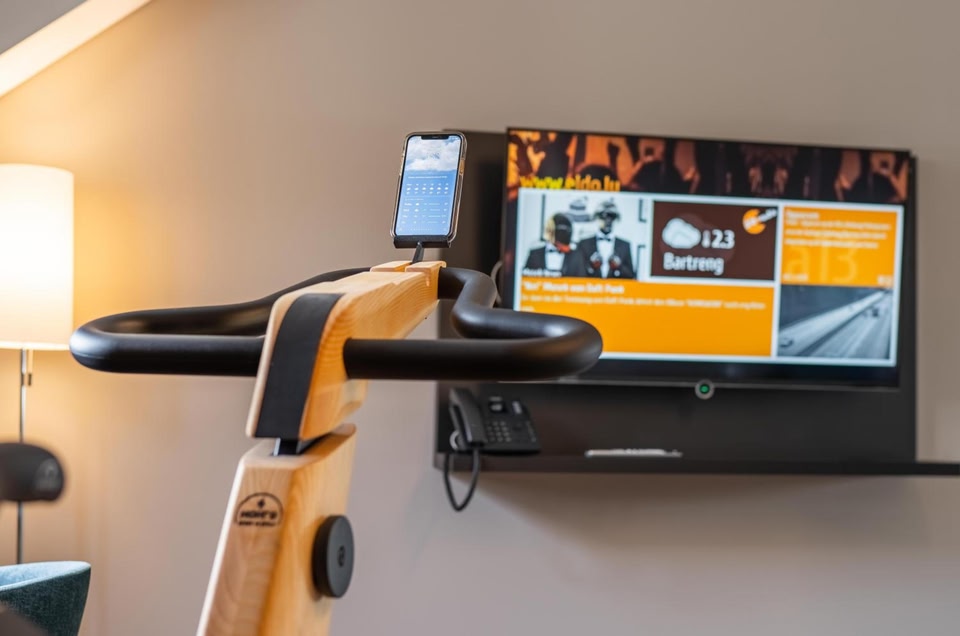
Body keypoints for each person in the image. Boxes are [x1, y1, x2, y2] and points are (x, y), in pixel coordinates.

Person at [574, 200, 635, 279]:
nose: (608, 221)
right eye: (603, 217)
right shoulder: (584, 244)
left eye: (611, 217)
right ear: (597, 218)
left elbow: (631, 275)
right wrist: (591, 267)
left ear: (616, 219)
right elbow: (575, 274)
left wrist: (618, 267)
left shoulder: (625, 246)